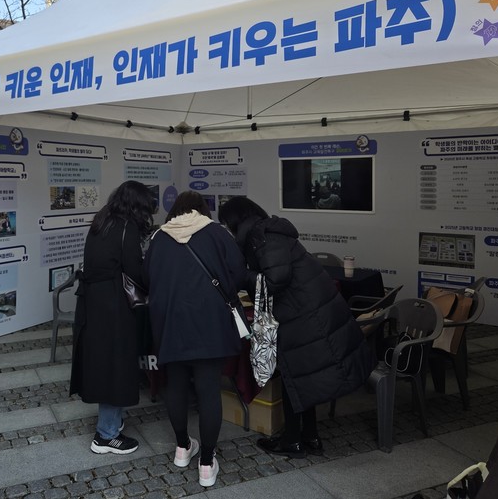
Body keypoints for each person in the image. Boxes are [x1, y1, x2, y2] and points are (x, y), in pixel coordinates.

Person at [218, 196, 373, 459]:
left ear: (236, 221)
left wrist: (242, 277)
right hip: (307, 311)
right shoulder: (269, 231)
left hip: (302, 315)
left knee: (293, 378)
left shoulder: (262, 236)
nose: (226, 230)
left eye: (226, 224)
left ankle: (292, 441)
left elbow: (276, 279)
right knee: (303, 378)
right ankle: (309, 436)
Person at [143, 191, 247, 487]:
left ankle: (181, 448)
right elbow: (239, 273)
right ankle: (206, 464)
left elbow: (147, 277)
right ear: (202, 210)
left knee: (175, 385)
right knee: (208, 391)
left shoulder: (159, 237)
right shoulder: (217, 233)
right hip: (210, 323)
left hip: (171, 323)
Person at [69, 180, 156, 455]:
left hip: (94, 304)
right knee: (115, 367)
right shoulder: (127, 227)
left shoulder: (102, 221)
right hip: (115, 306)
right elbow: (135, 270)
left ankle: (113, 423)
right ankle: (106, 435)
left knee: (104, 364)